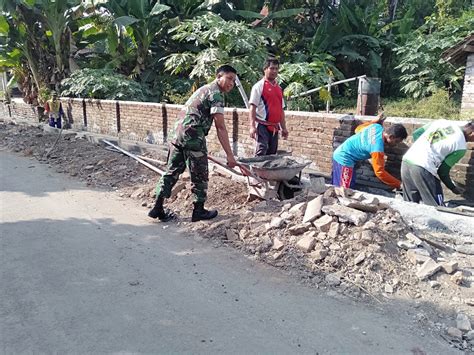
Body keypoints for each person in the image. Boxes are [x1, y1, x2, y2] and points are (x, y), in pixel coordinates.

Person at [148, 65, 238, 222]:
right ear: (218, 76)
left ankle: (157, 207)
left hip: (177, 134)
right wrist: (230, 156)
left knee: (172, 171)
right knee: (200, 174)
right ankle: (199, 211)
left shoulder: (204, 89)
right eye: (229, 78)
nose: (231, 83)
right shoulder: (216, 94)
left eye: (234, 81)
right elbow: (220, 126)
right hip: (193, 135)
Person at [401, 120, 474, 206]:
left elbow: (417, 133)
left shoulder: (442, 122)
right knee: (437, 208)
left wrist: (424, 148)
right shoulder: (460, 146)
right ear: (472, 133)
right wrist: (453, 188)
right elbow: (442, 171)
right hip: (424, 166)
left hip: (406, 161)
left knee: (410, 204)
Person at [332, 117, 408, 189]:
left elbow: (357, 129)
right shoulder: (377, 148)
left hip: (341, 154)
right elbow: (379, 172)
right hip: (344, 159)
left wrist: (373, 121)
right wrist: (399, 184)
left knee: (340, 186)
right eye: (396, 141)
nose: (396, 144)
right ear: (391, 137)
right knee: (345, 190)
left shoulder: (376, 126)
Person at [248, 58, 288, 156]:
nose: (274, 71)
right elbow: (252, 107)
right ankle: (256, 171)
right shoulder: (258, 86)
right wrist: (252, 126)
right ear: (265, 69)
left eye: (276, 69)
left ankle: (267, 172)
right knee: (262, 149)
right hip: (262, 125)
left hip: (274, 126)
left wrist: (284, 128)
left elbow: (281, 110)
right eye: (271, 68)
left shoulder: (278, 88)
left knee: (272, 153)